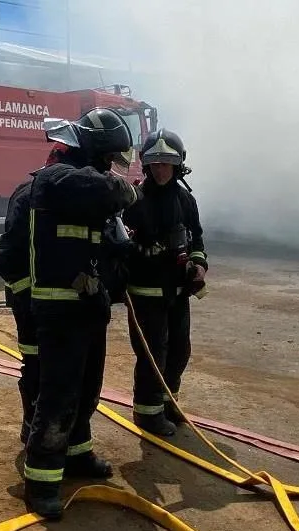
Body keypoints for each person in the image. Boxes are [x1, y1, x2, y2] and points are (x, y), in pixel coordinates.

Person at [22, 108, 143, 519]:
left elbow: (103, 243)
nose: (112, 166)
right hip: (60, 312)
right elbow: (116, 192)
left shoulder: (87, 190)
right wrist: (122, 189)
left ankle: (77, 455)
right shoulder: (56, 180)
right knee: (58, 397)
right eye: (109, 157)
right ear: (92, 149)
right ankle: (41, 483)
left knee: (88, 388)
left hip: (89, 308)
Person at [122, 128, 207, 437]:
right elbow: (119, 245)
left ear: (177, 164)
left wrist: (198, 264)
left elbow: (196, 238)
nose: (160, 169)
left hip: (177, 292)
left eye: (166, 163)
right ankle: (147, 413)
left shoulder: (186, 199)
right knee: (152, 354)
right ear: (146, 165)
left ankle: (168, 401)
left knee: (179, 351)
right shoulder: (134, 199)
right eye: (155, 163)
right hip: (145, 294)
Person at [0, 142, 73, 445]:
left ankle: (38, 430)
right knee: (36, 365)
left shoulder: (56, 195)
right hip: (28, 303)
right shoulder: (30, 194)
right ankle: (31, 429)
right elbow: (7, 259)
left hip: (45, 302)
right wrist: (30, 297)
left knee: (45, 367)